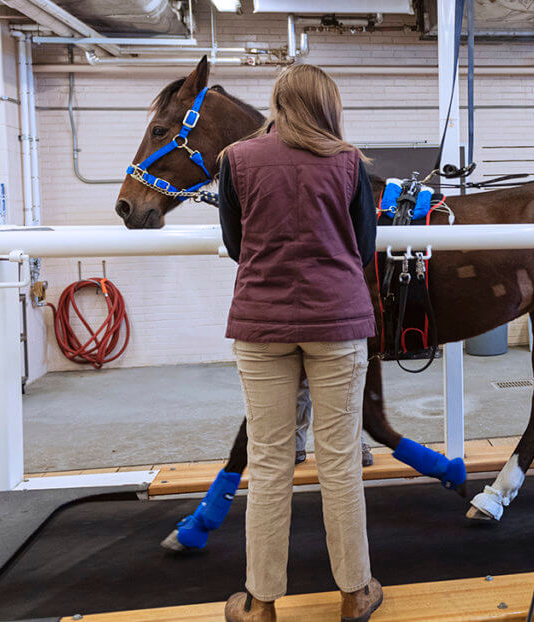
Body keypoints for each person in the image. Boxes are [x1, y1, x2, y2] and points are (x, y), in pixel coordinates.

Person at [218, 63, 382, 622]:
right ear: (326, 107)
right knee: (340, 463)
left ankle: (261, 602)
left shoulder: (236, 160)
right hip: (337, 322)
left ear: (279, 102)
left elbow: (236, 244)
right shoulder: (348, 162)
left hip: (262, 324)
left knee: (268, 462)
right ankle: (355, 593)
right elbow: (363, 247)